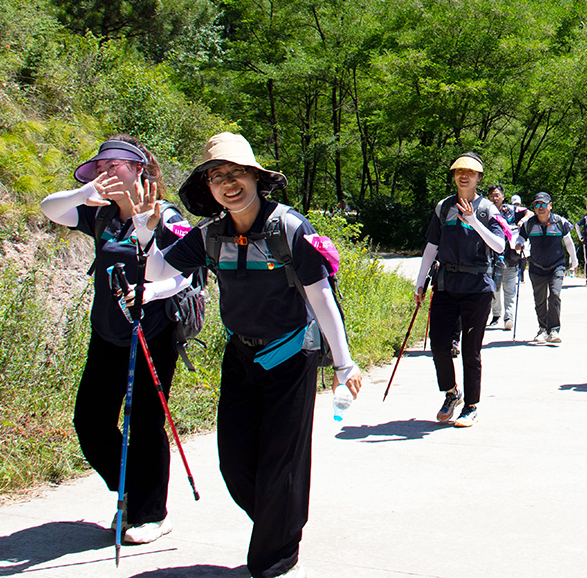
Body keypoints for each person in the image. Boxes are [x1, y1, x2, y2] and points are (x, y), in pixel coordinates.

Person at [135, 133, 362, 578]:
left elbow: (321, 300)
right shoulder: (209, 235)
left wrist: (344, 364)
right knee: (234, 460)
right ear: (210, 188)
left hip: (291, 358)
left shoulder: (292, 230)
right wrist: (146, 228)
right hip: (240, 356)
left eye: (236, 173)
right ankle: (281, 520)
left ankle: (274, 555)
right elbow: (157, 270)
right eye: (218, 177)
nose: (228, 183)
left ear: (256, 177)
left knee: (281, 459)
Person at [39, 135, 191, 545]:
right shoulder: (101, 215)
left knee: (143, 423)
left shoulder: (166, 215)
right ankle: (127, 491)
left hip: (152, 334)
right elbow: (50, 208)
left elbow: (188, 273)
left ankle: (151, 513)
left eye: (114, 165)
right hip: (107, 332)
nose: (105, 171)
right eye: (100, 166)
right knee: (90, 421)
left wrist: (150, 293)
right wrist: (85, 192)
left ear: (139, 169)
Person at [413, 152, 509, 427]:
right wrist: (421, 281)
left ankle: (471, 406)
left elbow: (500, 246)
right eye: (458, 171)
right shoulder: (443, 208)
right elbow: (431, 247)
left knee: (471, 350)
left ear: (479, 178)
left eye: (469, 172)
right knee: (439, 345)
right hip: (445, 285)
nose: (463, 175)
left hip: (477, 288)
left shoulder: (488, 210)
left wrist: (474, 222)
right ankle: (451, 393)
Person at [518, 192, 578, 344]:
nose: (540, 208)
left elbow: (569, 242)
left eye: (544, 204)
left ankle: (554, 330)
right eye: (537, 205)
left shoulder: (560, 222)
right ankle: (543, 329)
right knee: (539, 300)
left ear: (550, 206)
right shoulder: (529, 224)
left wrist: (574, 261)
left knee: (555, 295)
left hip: (556, 265)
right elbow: (520, 237)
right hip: (536, 266)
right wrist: (519, 244)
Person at [486, 184, 525, 330]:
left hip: (510, 257)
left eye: (497, 195)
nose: (495, 198)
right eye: (492, 195)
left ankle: (509, 317)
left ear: (503, 196)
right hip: (491, 258)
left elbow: (529, 213)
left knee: (509, 289)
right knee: (494, 289)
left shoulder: (511, 210)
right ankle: (496, 315)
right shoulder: (485, 211)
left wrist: (521, 222)